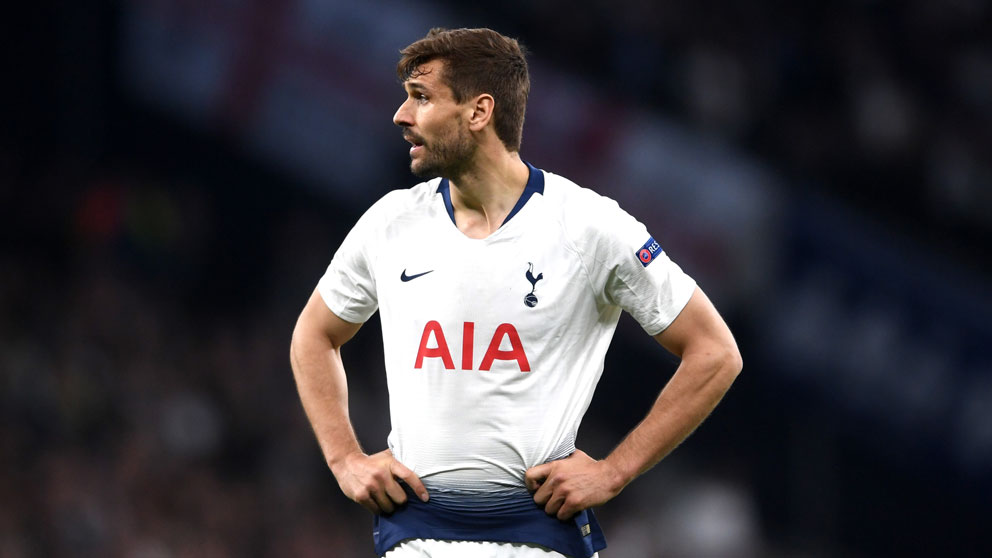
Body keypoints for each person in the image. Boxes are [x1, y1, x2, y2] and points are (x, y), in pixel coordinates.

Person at [289, 27, 742, 558]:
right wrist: (345, 458)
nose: (401, 115)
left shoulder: (588, 227)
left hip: (539, 539)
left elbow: (715, 353)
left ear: (479, 112)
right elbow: (314, 335)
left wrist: (614, 472)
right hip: (414, 535)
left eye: (421, 98)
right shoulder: (390, 222)